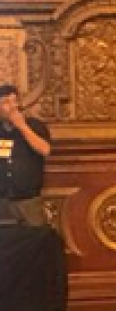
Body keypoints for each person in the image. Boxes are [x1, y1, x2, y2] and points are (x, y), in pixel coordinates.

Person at [0, 83, 51, 226]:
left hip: (29, 202)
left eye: (14, 101)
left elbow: (45, 150)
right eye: (6, 102)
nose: (12, 107)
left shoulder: (35, 126)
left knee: (35, 236)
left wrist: (22, 126)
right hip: (2, 201)